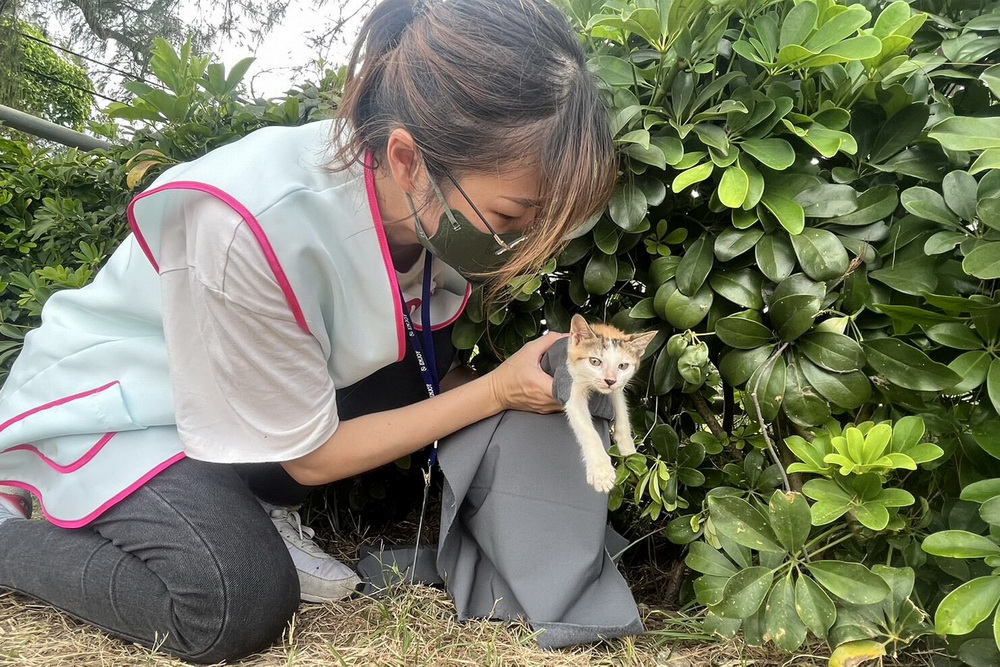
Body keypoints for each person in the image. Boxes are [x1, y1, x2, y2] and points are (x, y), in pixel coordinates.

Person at [0, 0, 616, 662]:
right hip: (118, 406)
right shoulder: (252, 219)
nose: (525, 246)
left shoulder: (417, 206)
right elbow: (311, 456)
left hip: (230, 399)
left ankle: (239, 501)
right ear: (409, 158)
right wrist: (497, 391)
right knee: (233, 601)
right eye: (513, 214)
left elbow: (418, 372)